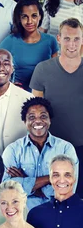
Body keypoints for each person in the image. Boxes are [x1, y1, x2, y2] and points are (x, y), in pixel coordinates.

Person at [2, 97, 78, 210]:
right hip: (23, 215)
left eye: (43, 116)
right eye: (32, 117)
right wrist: (52, 178)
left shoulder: (66, 148)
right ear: (25, 122)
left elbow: (69, 189)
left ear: (49, 120)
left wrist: (24, 180)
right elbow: (6, 190)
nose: (38, 121)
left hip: (57, 212)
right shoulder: (13, 150)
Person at [31, 18, 83, 183]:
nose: (72, 44)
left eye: (76, 39)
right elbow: (35, 111)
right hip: (51, 146)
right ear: (59, 38)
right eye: (67, 38)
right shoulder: (43, 69)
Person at [0, 0, 58, 92]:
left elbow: (56, 72)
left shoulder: (50, 41)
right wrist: (7, 85)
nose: (29, 21)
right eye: (24, 16)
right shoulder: (10, 41)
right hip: (19, 94)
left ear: (40, 17)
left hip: (45, 94)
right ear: (19, 18)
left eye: (34, 16)